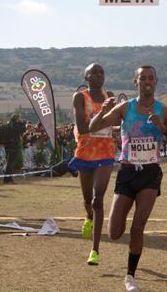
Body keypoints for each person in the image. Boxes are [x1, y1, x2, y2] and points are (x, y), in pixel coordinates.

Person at [89, 65, 167, 292]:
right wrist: (103, 110)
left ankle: (130, 276)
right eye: (143, 78)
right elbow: (92, 127)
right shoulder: (125, 108)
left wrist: (163, 129)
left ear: (156, 82)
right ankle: (128, 245)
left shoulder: (165, 111)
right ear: (136, 82)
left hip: (150, 173)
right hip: (127, 172)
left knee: (139, 225)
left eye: (151, 78)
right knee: (115, 233)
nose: (147, 82)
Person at [68, 63, 116, 266]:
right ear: (86, 77)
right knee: (88, 200)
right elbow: (82, 127)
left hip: (105, 152)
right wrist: (103, 115)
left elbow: (116, 122)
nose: (99, 75)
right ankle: (88, 216)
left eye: (102, 72)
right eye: (94, 73)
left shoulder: (110, 96)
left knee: (98, 199)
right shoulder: (80, 97)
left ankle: (95, 250)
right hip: (86, 152)